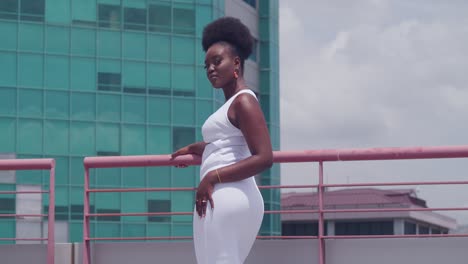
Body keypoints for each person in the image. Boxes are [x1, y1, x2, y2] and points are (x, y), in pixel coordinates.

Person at [171, 17, 273, 264]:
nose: (211, 69)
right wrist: (200, 147)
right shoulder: (231, 104)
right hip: (221, 195)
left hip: (228, 193)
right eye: (206, 65)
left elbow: (264, 157)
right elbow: (230, 141)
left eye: (217, 61)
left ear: (236, 63)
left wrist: (211, 177)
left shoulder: (244, 101)